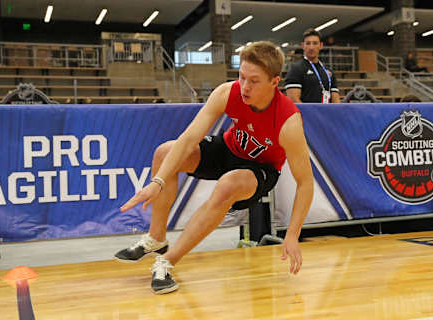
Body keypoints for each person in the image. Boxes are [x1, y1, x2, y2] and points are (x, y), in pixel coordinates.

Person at [114, 41, 314, 294]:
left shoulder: (288, 122)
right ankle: (156, 239)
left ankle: (167, 261)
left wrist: (293, 235)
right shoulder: (226, 93)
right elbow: (188, 139)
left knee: (228, 184)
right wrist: (157, 182)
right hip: (228, 149)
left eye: (254, 81)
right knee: (165, 152)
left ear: (275, 82)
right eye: (241, 77)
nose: (245, 86)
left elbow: (306, 182)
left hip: (259, 169)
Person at [284, 28, 340, 103]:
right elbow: (293, 100)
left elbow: (336, 101)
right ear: (303, 46)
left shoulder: (328, 72)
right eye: (308, 43)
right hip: (306, 114)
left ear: (321, 45)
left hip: (326, 114)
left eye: (315, 43)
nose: (311, 47)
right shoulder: (296, 69)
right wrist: (310, 114)